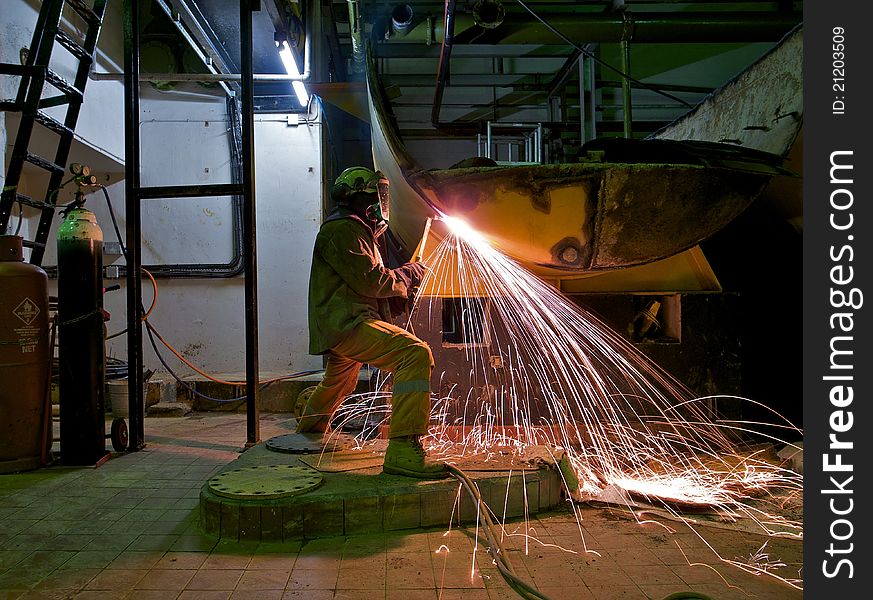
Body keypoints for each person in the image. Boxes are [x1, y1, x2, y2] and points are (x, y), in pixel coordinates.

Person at [296, 166, 447, 479]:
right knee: (414, 354)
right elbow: (372, 281)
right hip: (347, 323)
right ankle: (404, 450)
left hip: (347, 320)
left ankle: (308, 429)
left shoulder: (359, 231)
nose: (382, 202)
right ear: (356, 197)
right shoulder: (343, 230)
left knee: (341, 381)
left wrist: (399, 289)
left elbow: (367, 286)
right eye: (377, 195)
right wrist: (406, 275)